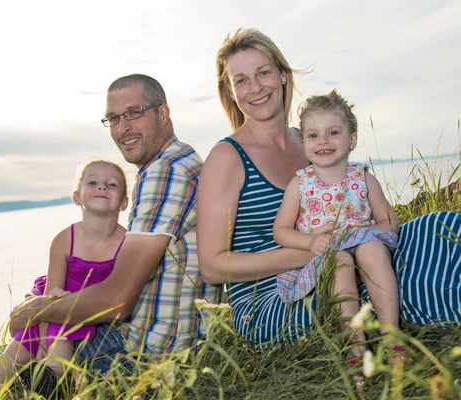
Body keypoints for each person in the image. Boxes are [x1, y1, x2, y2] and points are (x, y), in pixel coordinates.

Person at [0, 74, 221, 399]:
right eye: (113, 118)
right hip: (161, 343)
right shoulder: (177, 163)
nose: (123, 128)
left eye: (133, 113)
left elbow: (116, 300)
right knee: (16, 353)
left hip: (137, 355)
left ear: (163, 113)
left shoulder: (165, 173)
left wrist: (35, 311)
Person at [197, 27, 461, 352]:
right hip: (272, 297)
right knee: (396, 279)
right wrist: (317, 251)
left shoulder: (310, 138)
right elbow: (211, 267)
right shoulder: (227, 157)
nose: (255, 87)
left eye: (263, 72)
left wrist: (360, 239)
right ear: (231, 91)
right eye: (241, 80)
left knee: (438, 228)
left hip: (338, 254)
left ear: (281, 75)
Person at [0, 160, 129, 396]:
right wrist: (40, 342)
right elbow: (47, 302)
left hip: (84, 310)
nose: (102, 187)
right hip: (53, 303)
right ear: (77, 197)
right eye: (92, 182)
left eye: (112, 184)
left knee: (61, 346)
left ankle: (49, 381)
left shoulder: (127, 243)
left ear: (124, 202)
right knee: (15, 352)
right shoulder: (64, 240)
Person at [272, 90, 401, 362]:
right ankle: (356, 347)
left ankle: (392, 338)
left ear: (351, 139)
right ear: (303, 142)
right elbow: (281, 231)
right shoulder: (300, 185)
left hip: (366, 253)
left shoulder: (363, 178)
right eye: (313, 135)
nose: (323, 141)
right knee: (339, 259)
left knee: (371, 250)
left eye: (333, 132)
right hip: (328, 258)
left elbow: (389, 222)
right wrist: (308, 242)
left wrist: (365, 234)